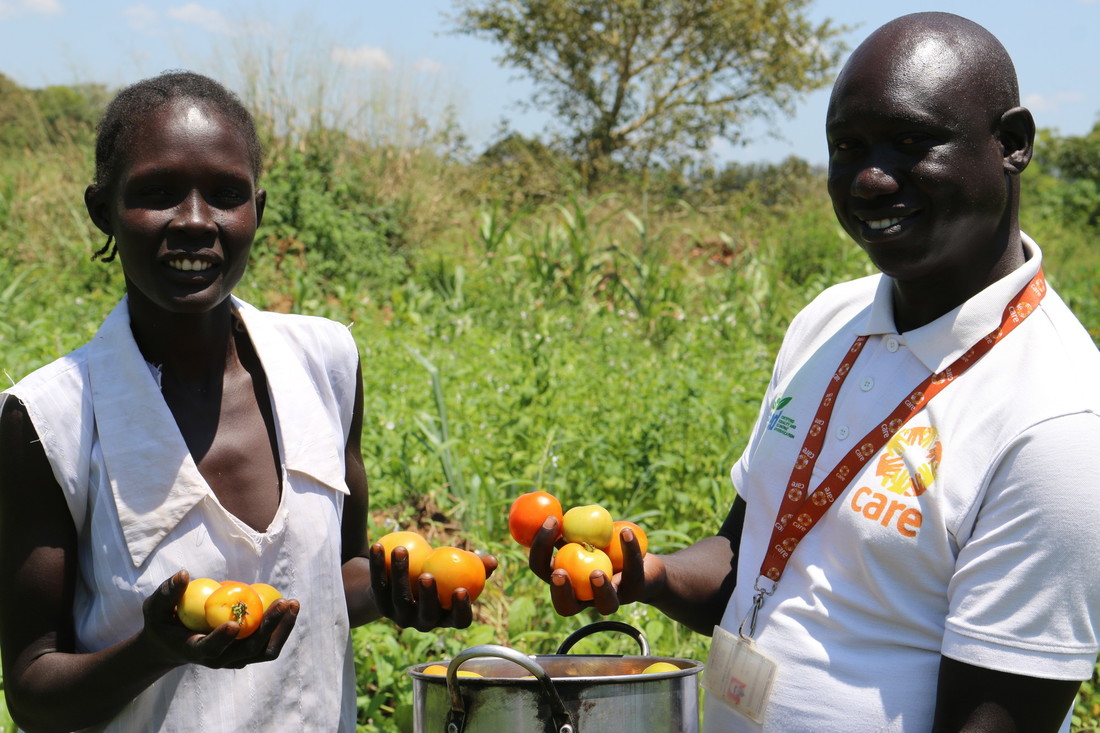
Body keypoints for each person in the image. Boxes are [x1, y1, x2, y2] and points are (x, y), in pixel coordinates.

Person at [529, 12, 1100, 732]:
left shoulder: (1059, 422)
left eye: (911, 141)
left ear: (1011, 144)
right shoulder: (828, 319)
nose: (868, 178)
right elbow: (750, 550)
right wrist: (647, 574)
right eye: (846, 147)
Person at [0, 70, 494, 733]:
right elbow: (32, 688)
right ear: (103, 209)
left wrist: (399, 590)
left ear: (256, 209)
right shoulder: (50, 419)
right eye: (157, 192)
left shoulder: (326, 362)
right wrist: (153, 651)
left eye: (226, 195)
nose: (196, 221)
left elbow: (330, 577)